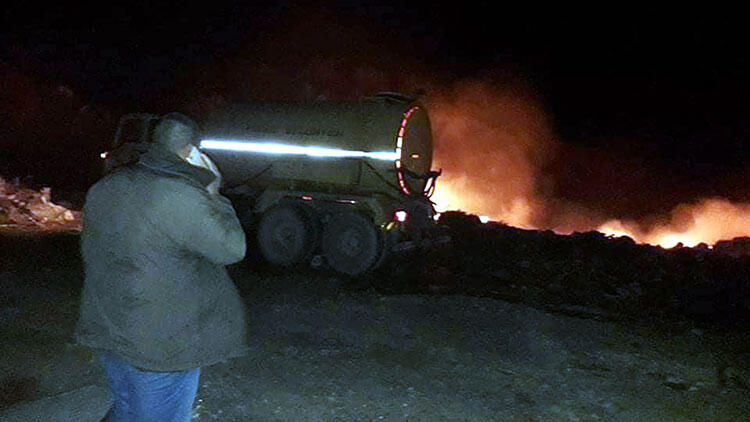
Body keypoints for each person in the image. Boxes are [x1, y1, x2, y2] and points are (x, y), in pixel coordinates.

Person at [74, 112, 247, 421]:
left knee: (127, 409)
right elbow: (232, 248)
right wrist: (214, 193)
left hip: (108, 328)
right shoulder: (181, 196)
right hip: (160, 346)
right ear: (193, 151)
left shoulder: (106, 186)